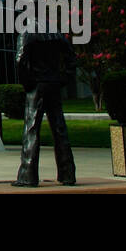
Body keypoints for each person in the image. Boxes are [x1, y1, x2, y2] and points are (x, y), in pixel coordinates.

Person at [12, 28, 76, 187]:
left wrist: (27, 82)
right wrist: (63, 79)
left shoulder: (27, 33)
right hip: (53, 83)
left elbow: (20, 59)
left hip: (37, 84)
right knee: (60, 129)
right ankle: (68, 174)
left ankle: (28, 175)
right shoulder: (57, 34)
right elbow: (71, 58)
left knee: (31, 129)